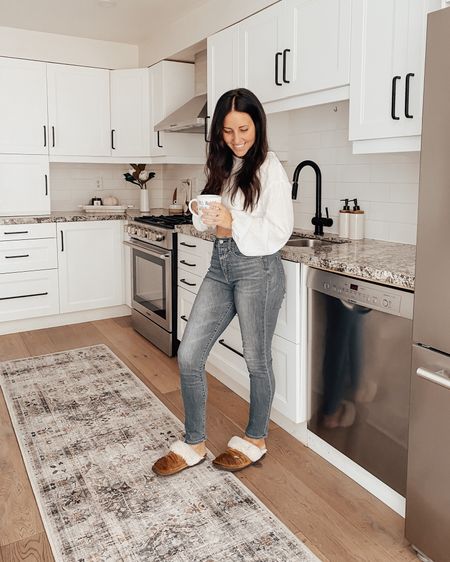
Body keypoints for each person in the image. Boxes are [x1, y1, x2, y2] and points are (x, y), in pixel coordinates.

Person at [152, 88, 294, 476]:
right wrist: (204, 211)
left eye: (243, 129)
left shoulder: (270, 168)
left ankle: (255, 438)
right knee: (190, 353)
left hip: (258, 269)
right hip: (222, 264)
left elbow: (280, 229)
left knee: (256, 359)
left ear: (258, 125)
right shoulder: (225, 164)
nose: (237, 139)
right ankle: (194, 442)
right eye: (228, 131)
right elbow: (214, 219)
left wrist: (235, 222)